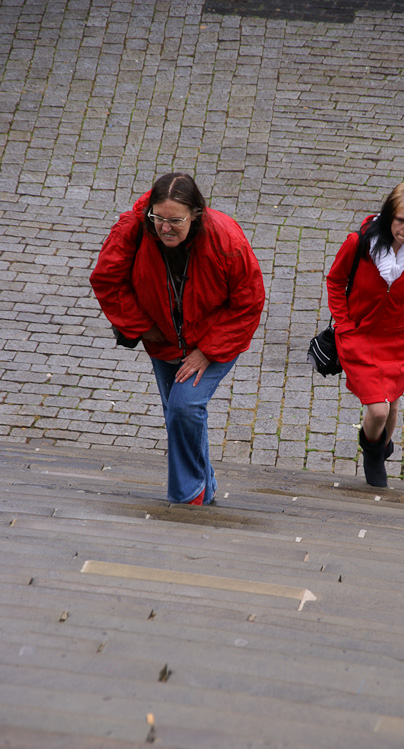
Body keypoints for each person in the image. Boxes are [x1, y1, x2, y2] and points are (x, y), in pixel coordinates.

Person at [90, 172, 265, 505]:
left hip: (214, 340)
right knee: (180, 415)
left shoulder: (226, 239)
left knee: (184, 407)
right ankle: (204, 487)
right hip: (163, 341)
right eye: (158, 219)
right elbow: (107, 279)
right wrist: (141, 326)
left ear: (195, 214)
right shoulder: (133, 229)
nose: (165, 227)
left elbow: (249, 302)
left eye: (175, 221)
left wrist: (208, 351)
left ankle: (189, 496)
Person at [326, 182, 404, 488]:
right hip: (358, 335)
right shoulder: (358, 243)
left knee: (393, 404)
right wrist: (343, 325)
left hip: (396, 338)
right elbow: (335, 281)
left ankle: (378, 447)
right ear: (387, 217)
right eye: (400, 220)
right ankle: (373, 451)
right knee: (379, 408)